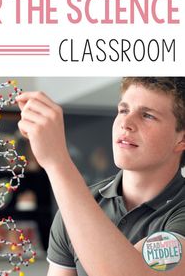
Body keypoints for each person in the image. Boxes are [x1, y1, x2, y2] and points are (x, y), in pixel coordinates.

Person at [16, 77, 185, 276]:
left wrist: (57, 161)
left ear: (181, 140)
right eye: (123, 110)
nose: (126, 123)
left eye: (147, 115)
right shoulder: (78, 205)